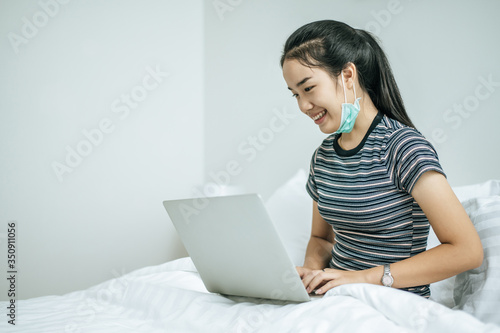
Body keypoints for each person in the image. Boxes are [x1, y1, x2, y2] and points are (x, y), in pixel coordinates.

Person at [280, 20, 483, 298]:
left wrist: (361, 279)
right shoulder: (323, 157)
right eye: (295, 94)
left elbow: (467, 251)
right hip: (335, 300)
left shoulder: (404, 148)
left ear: (348, 75)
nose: (303, 106)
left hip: (394, 303)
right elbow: (320, 239)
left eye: (309, 88)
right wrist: (312, 276)